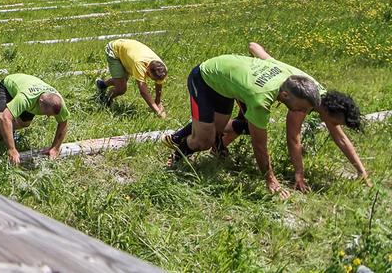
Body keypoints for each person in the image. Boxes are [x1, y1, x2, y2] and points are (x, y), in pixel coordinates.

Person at [217, 42, 369, 191]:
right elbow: (293, 139)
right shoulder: (303, 105)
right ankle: (213, 136)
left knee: (247, 125)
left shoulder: (322, 100)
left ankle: (218, 147)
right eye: (338, 122)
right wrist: (299, 174)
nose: (337, 126)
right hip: (251, 86)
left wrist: (361, 172)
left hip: (257, 83)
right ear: (331, 113)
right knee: (249, 126)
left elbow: (341, 139)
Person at [164, 53, 321, 196]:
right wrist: (270, 180)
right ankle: (179, 150)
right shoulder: (261, 99)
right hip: (204, 78)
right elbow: (259, 146)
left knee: (216, 130)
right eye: (302, 108)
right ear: (285, 95)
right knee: (204, 142)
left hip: (224, 79)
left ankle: (190, 132)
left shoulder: (289, 77)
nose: (304, 112)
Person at [0, 73, 70, 166]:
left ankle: (5, 133)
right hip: (9, 86)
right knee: (2, 121)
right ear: (40, 103)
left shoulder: (58, 102)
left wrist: (55, 148)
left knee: (24, 123)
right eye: (47, 113)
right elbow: (5, 118)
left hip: (29, 86)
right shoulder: (25, 99)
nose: (48, 117)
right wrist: (12, 149)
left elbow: (63, 122)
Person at [95, 38, 168, 117]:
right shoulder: (139, 64)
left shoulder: (161, 68)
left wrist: (158, 101)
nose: (154, 80)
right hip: (114, 50)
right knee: (121, 88)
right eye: (152, 78)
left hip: (128, 51)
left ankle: (101, 85)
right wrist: (158, 112)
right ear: (147, 69)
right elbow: (143, 92)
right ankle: (105, 99)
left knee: (121, 80)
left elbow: (159, 83)